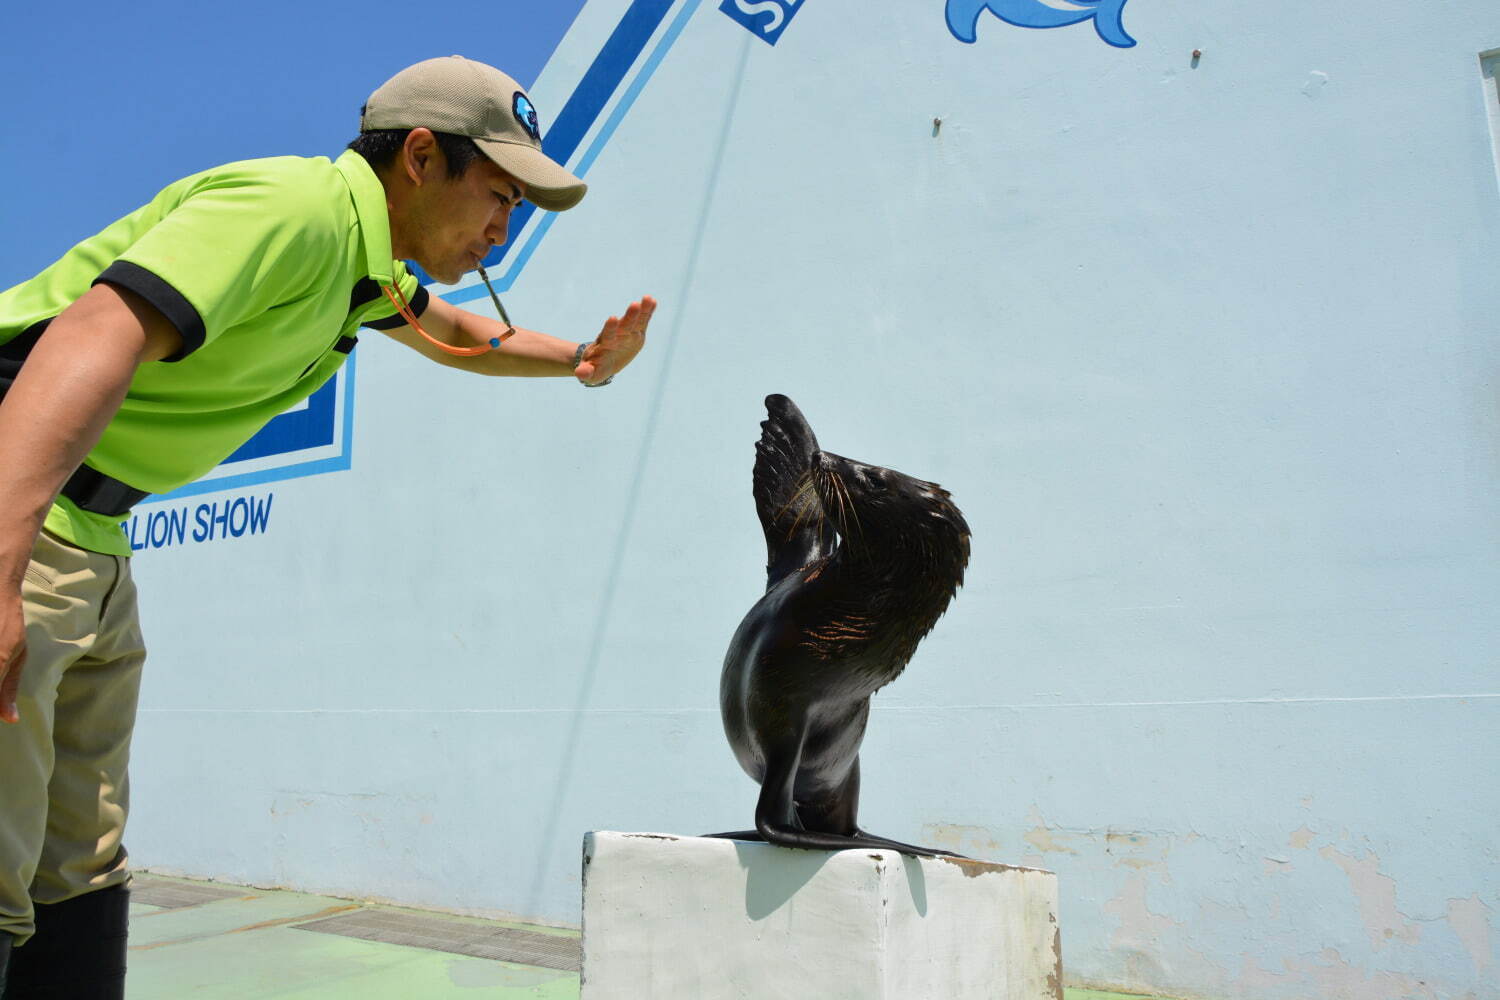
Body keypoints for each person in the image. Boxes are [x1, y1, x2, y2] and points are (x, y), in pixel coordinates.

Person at [0, 55, 656, 997]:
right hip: (27, 503)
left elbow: (463, 333)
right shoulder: (295, 210)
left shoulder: (364, 266)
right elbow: (96, 332)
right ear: (422, 157)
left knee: (77, 869)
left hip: (97, 544)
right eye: (499, 196)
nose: (501, 231)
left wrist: (583, 359)